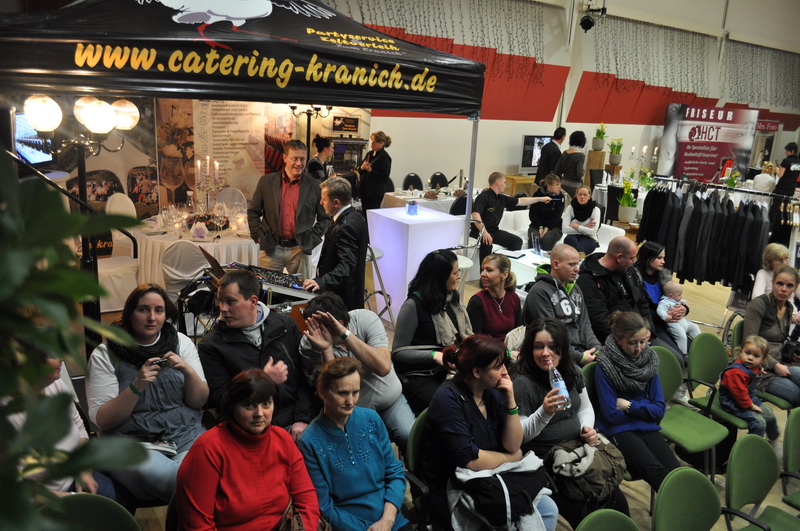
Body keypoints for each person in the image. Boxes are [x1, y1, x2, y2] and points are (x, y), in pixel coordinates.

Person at [86, 283, 207, 504]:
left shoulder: (181, 342)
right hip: (132, 444)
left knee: (200, 474)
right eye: (143, 309)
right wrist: (137, 385)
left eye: (158, 310)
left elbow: (198, 401)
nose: (152, 317)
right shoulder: (105, 354)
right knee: (191, 481)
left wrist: (188, 372)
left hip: (185, 436)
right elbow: (103, 420)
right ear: (129, 313)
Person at [423, 334, 559, 531]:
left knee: (549, 509)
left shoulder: (492, 391)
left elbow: (513, 444)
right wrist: (511, 458)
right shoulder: (447, 399)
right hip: (457, 485)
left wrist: (511, 401)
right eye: (498, 367)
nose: (505, 372)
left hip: (491, 475)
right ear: (477, 372)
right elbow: (471, 460)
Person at [511, 318, 629, 528]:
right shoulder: (522, 382)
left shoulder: (572, 371)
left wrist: (587, 428)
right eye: (538, 347)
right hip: (547, 461)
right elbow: (519, 435)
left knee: (616, 501)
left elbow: (585, 408)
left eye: (552, 347)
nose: (546, 353)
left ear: (563, 349)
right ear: (529, 349)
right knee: (587, 509)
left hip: (577, 448)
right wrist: (545, 412)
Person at [176, 369, 320, 529]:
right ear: (232, 407)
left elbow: (306, 498)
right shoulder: (207, 450)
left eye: (266, 404)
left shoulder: (282, 439)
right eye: (249, 405)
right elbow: (198, 526)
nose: (259, 413)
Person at [199, 270, 317, 440]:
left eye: (230, 301)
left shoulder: (285, 326)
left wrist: (302, 419)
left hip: (293, 423)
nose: (223, 309)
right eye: (220, 301)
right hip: (248, 430)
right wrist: (263, 381)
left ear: (253, 301)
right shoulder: (212, 345)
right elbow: (221, 399)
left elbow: (304, 379)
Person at [299, 358, 410, 530]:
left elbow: (394, 472)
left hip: (390, 518)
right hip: (348, 525)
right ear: (322, 392)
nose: (350, 401)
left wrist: (388, 519)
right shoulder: (309, 441)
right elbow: (324, 506)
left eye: (355, 392)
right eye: (342, 393)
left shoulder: (372, 419)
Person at [298, 293, 415, 448]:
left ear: (339, 323)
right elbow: (332, 390)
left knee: (410, 437)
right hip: (351, 412)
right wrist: (326, 349)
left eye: (318, 326)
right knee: (361, 450)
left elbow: (383, 367)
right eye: (310, 325)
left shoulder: (365, 319)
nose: (314, 332)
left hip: (390, 402)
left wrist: (345, 335)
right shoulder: (309, 344)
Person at [594, 311, 680, 491]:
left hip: (645, 427)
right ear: (619, 339)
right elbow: (611, 416)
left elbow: (659, 410)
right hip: (619, 431)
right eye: (632, 343)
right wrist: (646, 410)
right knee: (659, 476)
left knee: (677, 473)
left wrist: (629, 406)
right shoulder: (605, 366)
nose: (639, 348)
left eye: (643, 341)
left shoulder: (649, 362)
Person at [7, 357, 115, 499]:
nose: (61, 358)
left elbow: (80, 427)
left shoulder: (54, 383)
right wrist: (71, 497)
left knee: (122, 500)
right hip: (45, 499)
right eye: (52, 354)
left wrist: (84, 470)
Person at [392, 249, 472, 415]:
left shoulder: (451, 299)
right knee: (451, 409)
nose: (459, 276)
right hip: (422, 375)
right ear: (440, 277)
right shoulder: (413, 305)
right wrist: (434, 355)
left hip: (450, 369)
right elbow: (398, 352)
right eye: (455, 273)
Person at [247, 139, 331, 278]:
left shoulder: (315, 186)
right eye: (295, 158)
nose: (299, 163)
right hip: (270, 248)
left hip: (300, 249)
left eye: (302, 159)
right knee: (266, 288)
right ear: (285, 158)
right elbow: (253, 212)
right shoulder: (266, 182)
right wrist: (257, 235)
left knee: (301, 290)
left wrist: (311, 240)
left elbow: (325, 218)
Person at [522, 243, 600, 365]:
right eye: (571, 264)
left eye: (578, 263)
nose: (577, 269)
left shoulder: (576, 288)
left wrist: (597, 349)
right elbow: (549, 335)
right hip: (553, 354)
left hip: (578, 350)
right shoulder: (539, 292)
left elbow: (584, 325)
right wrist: (579, 357)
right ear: (556, 265)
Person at [302, 177, 368, 311]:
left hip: (341, 299)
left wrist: (322, 281)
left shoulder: (345, 226)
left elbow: (347, 266)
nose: (321, 202)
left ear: (336, 202)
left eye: (324, 199)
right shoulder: (356, 216)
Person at [743, 265, 800, 406]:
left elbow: (780, 340)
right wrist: (774, 365)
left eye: (789, 285)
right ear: (773, 283)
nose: (784, 289)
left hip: (781, 362)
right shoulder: (758, 305)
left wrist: (791, 354)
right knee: (798, 395)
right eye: (779, 283)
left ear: (795, 288)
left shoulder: (789, 308)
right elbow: (749, 344)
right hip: (756, 367)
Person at [471, 171, 552, 264]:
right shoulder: (483, 197)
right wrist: (484, 232)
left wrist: (541, 199)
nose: (505, 186)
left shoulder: (501, 198)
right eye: (504, 182)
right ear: (498, 182)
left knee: (517, 241)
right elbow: (475, 214)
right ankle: (484, 270)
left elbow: (521, 201)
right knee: (487, 242)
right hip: (479, 231)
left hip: (494, 231)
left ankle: (503, 265)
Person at [719, 336, 779, 443]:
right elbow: (739, 394)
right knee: (759, 423)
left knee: (769, 414)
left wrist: (759, 372)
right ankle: (748, 447)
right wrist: (751, 406)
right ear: (741, 352)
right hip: (732, 402)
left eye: (756, 356)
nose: (750, 358)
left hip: (748, 398)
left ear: (762, 359)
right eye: (747, 353)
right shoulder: (735, 372)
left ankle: (773, 438)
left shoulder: (753, 367)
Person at [467, 254, 521, 342]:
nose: (483, 274)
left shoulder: (514, 298)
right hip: (487, 349)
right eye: (483, 269)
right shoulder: (477, 301)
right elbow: (475, 341)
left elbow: (518, 332)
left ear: (504, 274)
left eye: (489, 270)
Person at [657, 281, 702, 354]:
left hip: (683, 322)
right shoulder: (665, 302)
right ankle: (684, 353)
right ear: (670, 296)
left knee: (694, 327)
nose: (681, 297)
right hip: (674, 324)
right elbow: (660, 310)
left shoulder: (675, 299)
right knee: (682, 337)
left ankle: (701, 343)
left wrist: (684, 303)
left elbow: (680, 300)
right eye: (679, 295)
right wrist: (665, 316)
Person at [528, 173, 565, 251]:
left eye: (559, 184)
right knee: (535, 238)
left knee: (547, 239)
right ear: (549, 186)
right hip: (536, 225)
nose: (559, 187)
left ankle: (546, 258)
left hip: (554, 227)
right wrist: (540, 227)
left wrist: (547, 228)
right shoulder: (537, 194)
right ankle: (531, 256)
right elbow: (532, 214)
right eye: (556, 185)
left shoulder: (560, 197)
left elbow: (557, 216)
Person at [358, 131, 392, 212]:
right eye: (372, 140)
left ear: (382, 143)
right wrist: (362, 168)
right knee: (365, 214)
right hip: (364, 190)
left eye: (375, 141)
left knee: (371, 215)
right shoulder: (369, 154)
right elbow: (360, 170)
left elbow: (384, 176)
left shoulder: (384, 157)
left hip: (374, 192)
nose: (372, 143)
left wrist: (371, 170)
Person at [561, 185, 601, 254]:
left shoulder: (595, 210)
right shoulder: (570, 208)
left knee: (574, 247)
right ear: (576, 195)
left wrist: (576, 226)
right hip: (572, 236)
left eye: (585, 195)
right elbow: (564, 229)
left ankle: (575, 256)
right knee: (569, 239)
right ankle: (579, 256)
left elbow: (592, 232)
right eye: (580, 194)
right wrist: (585, 227)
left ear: (589, 196)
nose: (582, 197)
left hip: (589, 238)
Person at [553, 131, 586, 197]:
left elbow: (557, 170)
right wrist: (583, 171)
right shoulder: (581, 155)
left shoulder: (565, 153)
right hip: (575, 186)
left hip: (563, 184)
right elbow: (579, 174)